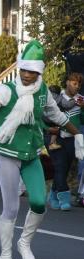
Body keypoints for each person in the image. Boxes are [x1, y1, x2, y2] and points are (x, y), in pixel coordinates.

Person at [0, 40, 84, 259]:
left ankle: (24, 242)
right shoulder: (7, 90)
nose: (27, 75)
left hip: (32, 155)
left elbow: (56, 115)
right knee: (11, 209)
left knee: (39, 202)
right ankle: (4, 258)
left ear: (39, 71)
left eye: (33, 71)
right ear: (19, 68)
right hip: (8, 154)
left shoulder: (42, 91)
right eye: (24, 70)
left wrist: (78, 134)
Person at [47, 72, 84, 210]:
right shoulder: (57, 97)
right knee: (60, 166)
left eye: (79, 84)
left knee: (64, 169)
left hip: (72, 139)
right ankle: (64, 198)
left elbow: (82, 121)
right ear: (67, 82)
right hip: (57, 137)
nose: (77, 86)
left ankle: (53, 195)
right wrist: (48, 129)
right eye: (74, 83)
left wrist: (83, 108)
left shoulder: (81, 99)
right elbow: (45, 115)